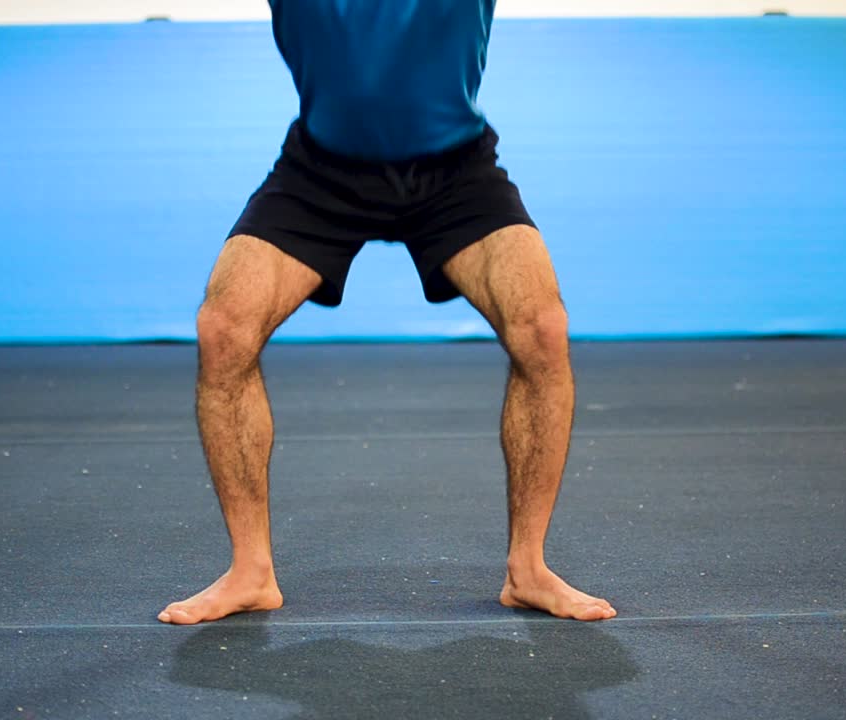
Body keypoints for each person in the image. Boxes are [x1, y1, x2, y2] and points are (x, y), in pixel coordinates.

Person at [158, 0, 617, 624]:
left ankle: (528, 570)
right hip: (320, 171)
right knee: (223, 329)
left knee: (541, 328)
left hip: (456, 172)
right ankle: (250, 572)